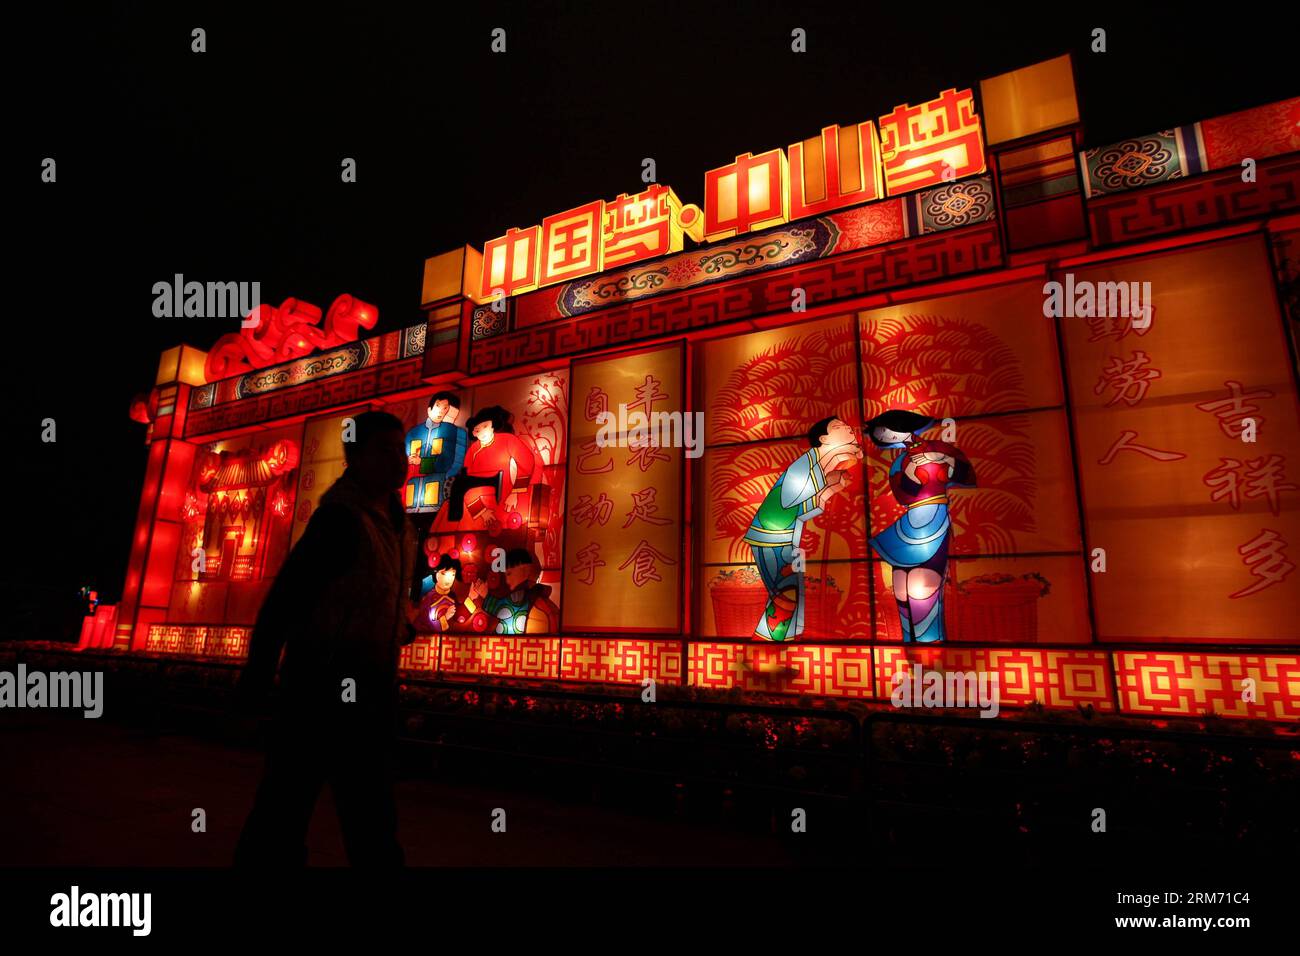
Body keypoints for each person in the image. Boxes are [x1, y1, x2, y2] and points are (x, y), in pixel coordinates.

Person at [234, 410, 419, 867]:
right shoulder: (340, 520)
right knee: (284, 810)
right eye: (385, 450)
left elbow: (370, 592)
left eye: (402, 450)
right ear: (353, 457)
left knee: (371, 817)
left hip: (371, 692)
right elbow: (285, 601)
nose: (399, 461)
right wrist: (257, 679)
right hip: (317, 691)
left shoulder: (400, 524)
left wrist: (399, 628)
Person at [743, 417, 862, 642]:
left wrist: (833, 485)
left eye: (847, 426)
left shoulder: (816, 464)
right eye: (839, 427)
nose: (848, 428)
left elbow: (806, 507)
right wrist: (835, 462)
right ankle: (763, 648)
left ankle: (781, 646)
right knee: (785, 594)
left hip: (786, 537)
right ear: (824, 439)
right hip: (771, 537)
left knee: (793, 594)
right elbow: (790, 499)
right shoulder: (803, 465)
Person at [865, 409, 976, 644]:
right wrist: (910, 473)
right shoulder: (899, 462)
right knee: (901, 584)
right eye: (880, 433)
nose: (885, 435)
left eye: (885, 429)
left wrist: (942, 460)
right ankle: (909, 639)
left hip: (933, 515)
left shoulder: (940, 448)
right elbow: (903, 495)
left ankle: (930, 640)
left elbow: (967, 475)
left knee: (923, 582)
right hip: (912, 517)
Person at [404, 391, 467, 516]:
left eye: (445, 408)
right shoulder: (413, 433)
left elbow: (450, 463)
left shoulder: (452, 432)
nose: (441, 411)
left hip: (436, 499)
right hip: (410, 500)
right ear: (429, 409)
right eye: (438, 406)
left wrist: (421, 462)